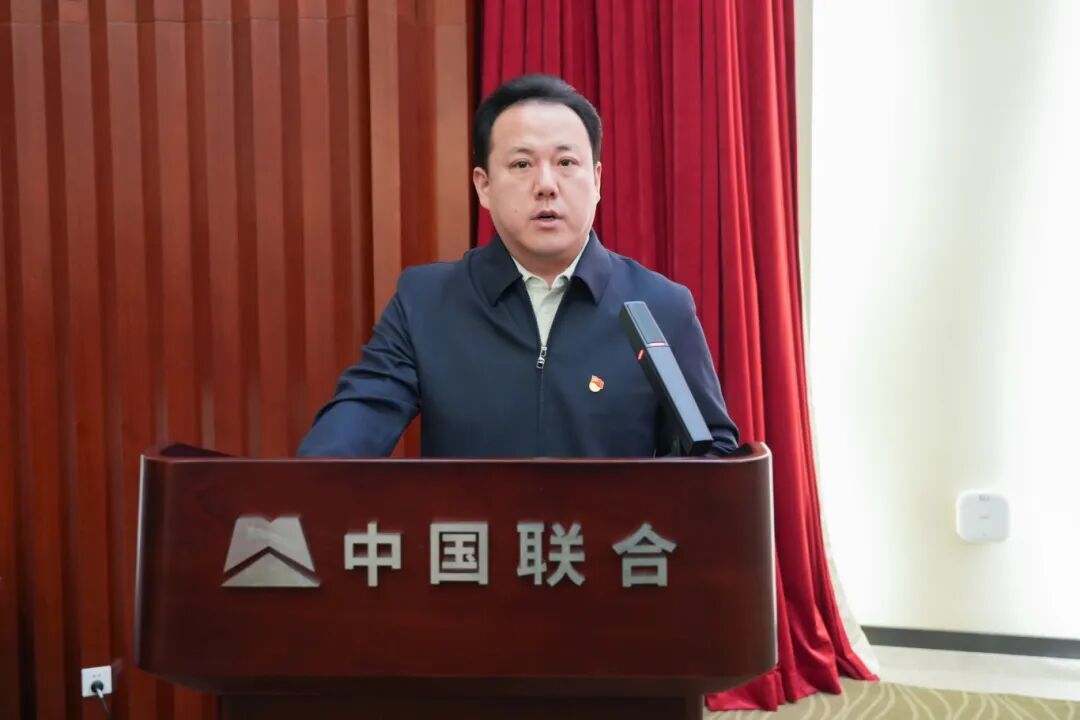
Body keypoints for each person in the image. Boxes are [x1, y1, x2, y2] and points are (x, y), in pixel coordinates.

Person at [298, 74, 738, 458]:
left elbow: (713, 455)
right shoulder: (427, 303)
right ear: (484, 186)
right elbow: (358, 420)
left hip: (611, 533)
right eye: (522, 164)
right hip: (472, 532)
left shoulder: (659, 307)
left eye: (566, 163)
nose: (546, 185)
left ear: (597, 180)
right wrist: (307, 485)